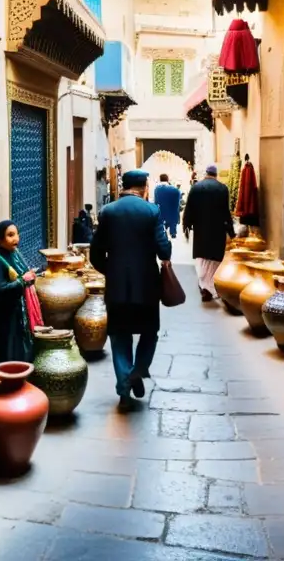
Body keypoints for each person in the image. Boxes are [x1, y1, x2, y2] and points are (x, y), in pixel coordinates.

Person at [91, 169, 172, 410]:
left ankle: (124, 387)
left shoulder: (108, 212)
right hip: (147, 286)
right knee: (149, 332)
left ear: (124, 186)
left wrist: (112, 271)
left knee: (119, 336)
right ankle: (139, 369)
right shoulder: (151, 211)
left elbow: (96, 254)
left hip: (116, 288)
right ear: (144, 187)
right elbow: (164, 251)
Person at [182, 164, 235, 302]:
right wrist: (231, 231)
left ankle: (204, 286)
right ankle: (209, 286)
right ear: (216, 175)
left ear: (206, 173)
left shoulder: (196, 187)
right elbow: (225, 212)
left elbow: (189, 208)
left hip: (201, 229)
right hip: (217, 230)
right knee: (214, 260)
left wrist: (186, 225)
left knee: (202, 259)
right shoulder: (222, 188)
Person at [0, 220, 37, 363]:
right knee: (9, 348)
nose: (16, 239)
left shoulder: (15, 254)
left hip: (20, 311)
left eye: (16, 234)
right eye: (10, 235)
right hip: (7, 314)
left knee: (21, 347)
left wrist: (30, 276)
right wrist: (22, 281)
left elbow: (24, 274)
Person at [153, 173, 182, 239]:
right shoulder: (175, 189)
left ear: (160, 179)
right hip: (173, 214)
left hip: (162, 213)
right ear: (167, 179)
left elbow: (156, 201)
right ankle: (173, 232)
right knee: (173, 213)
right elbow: (177, 202)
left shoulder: (157, 189)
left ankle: (164, 230)